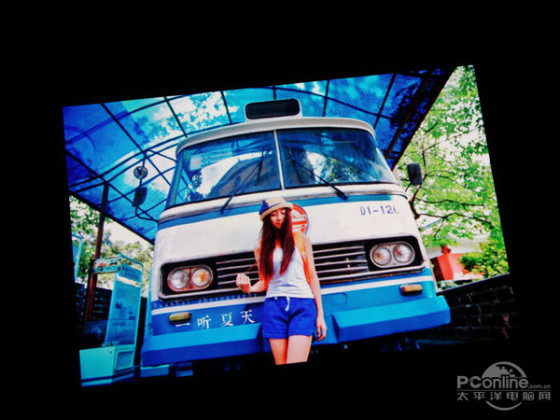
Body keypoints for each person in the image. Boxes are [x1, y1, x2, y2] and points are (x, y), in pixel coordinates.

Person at [236, 197, 327, 365]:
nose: (279, 218)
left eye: (283, 213)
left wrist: (320, 315)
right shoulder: (260, 247)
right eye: (274, 214)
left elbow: (313, 277)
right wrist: (247, 288)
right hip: (274, 306)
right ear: (267, 219)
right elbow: (265, 281)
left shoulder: (301, 239)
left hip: (302, 304)